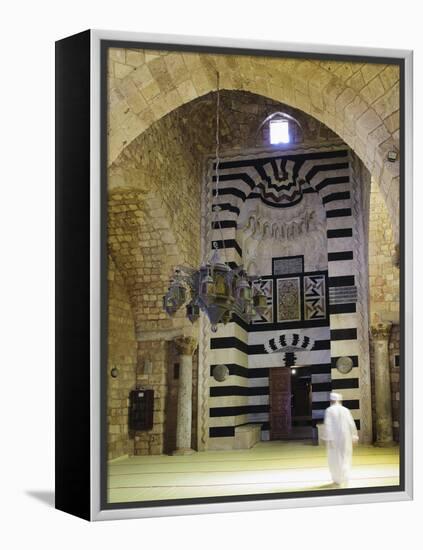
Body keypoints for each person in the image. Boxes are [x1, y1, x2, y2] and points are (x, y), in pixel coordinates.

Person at [323, 392, 359, 487]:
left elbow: (328, 425)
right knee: (345, 456)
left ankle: (337, 479)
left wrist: (328, 438)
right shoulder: (345, 410)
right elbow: (351, 423)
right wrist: (354, 436)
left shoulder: (329, 410)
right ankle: (345, 477)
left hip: (334, 438)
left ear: (331, 401)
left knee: (334, 458)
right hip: (345, 437)